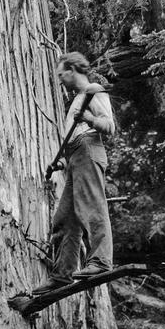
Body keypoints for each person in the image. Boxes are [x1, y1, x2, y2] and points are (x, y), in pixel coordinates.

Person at [33, 52, 115, 293]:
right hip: (76, 158)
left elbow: (109, 126)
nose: (60, 80)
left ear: (71, 69)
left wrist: (88, 118)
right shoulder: (79, 98)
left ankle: (100, 261)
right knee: (65, 219)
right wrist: (60, 163)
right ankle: (62, 274)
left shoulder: (93, 90)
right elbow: (73, 140)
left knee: (92, 206)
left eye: (61, 74)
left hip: (89, 150)